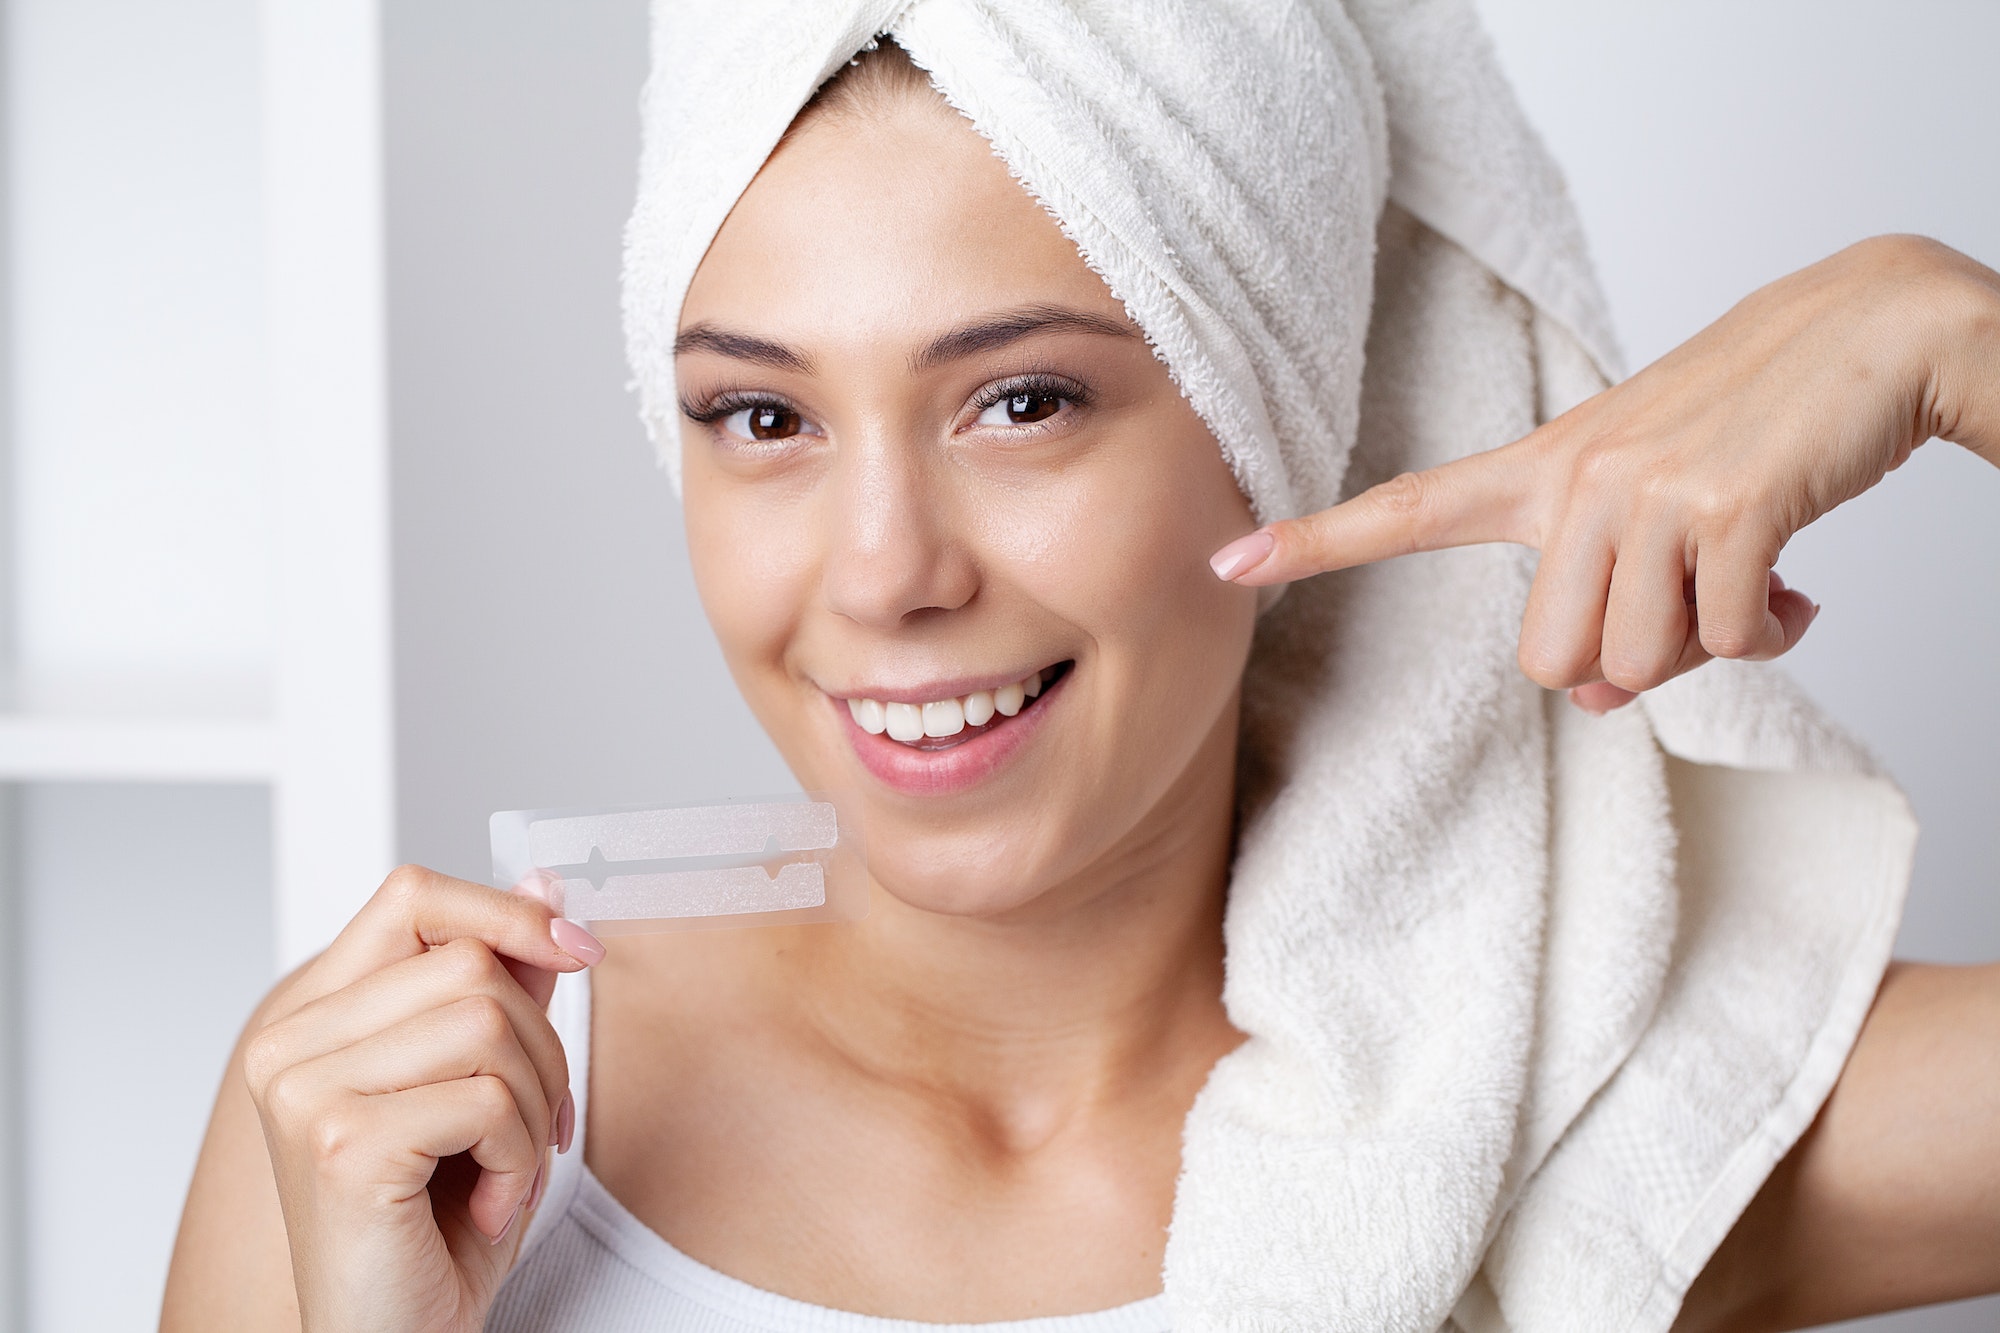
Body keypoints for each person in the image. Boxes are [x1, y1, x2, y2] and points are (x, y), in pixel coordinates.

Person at [163, 7, 2000, 1331]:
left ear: (1271, 431)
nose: (884, 571)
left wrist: (1942, 331)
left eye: (1021, 399)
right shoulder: (386, 1131)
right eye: (762, 413)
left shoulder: (1594, 1112)